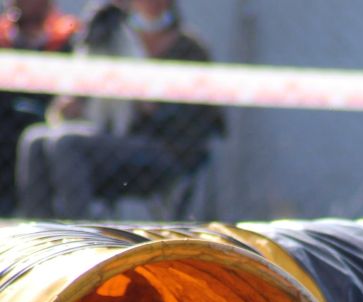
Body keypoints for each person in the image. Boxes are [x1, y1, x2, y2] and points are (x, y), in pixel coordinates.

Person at [16, 0, 226, 218]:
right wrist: (75, 105)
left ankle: (78, 232)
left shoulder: (189, 48)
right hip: (110, 140)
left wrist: (154, 108)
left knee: (66, 142)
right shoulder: (112, 36)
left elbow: (205, 117)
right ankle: (41, 233)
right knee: (36, 140)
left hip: (162, 149)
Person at [0, 0, 80, 215]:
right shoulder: (3, 39)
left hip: (48, 120)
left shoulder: (67, 39)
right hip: (5, 125)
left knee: (39, 140)